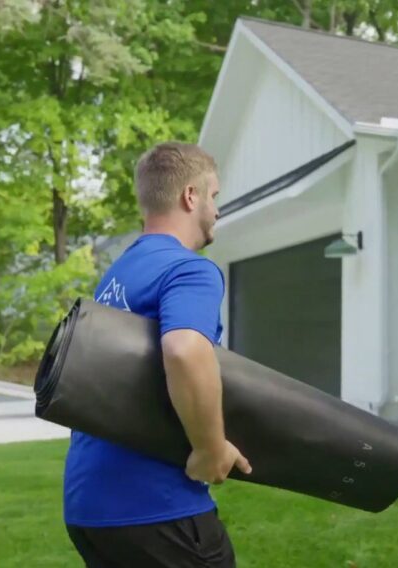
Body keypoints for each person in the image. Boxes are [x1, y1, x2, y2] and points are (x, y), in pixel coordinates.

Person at [63, 142, 251, 568]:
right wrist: (209, 447)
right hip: (154, 507)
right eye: (214, 196)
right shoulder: (189, 269)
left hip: (90, 506)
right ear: (190, 196)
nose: (217, 209)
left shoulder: (118, 274)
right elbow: (184, 351)